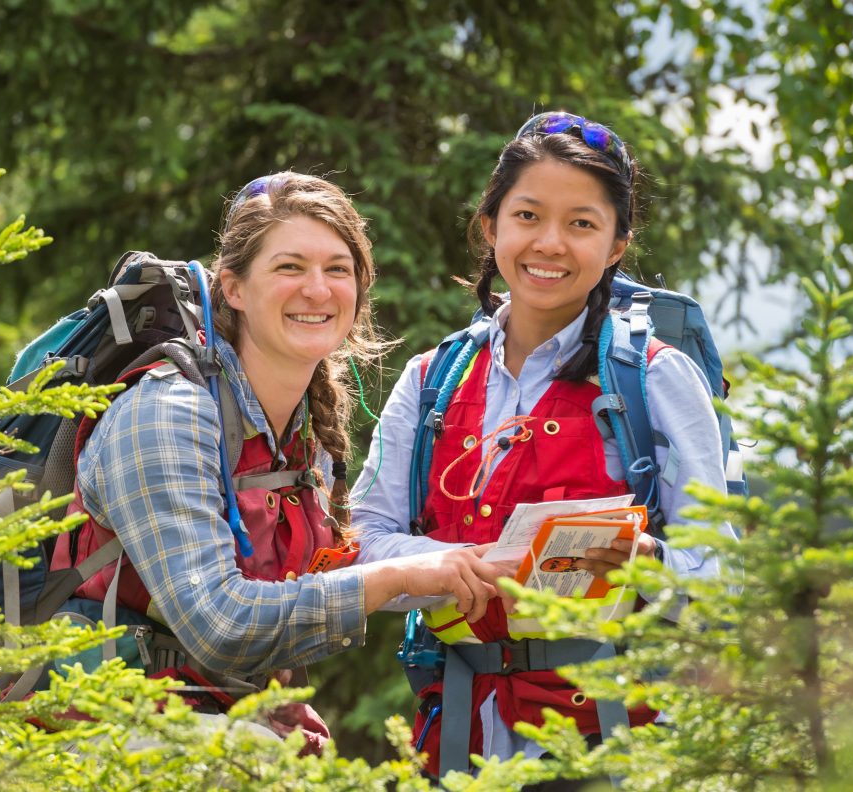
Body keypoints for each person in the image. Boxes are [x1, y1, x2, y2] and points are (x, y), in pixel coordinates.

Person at [52, 171, 515, 751]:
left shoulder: (301, 428)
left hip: (211, 721)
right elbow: (219, 625)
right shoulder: (168, 413)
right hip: (95, 729)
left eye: (337, 269)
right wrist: (396, 576)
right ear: (235, 288)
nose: (318, 290)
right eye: (290, 267)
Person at [350, 112, 740, 776]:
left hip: (615, 742)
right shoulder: (430, 381)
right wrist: (459, 566)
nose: (550, 243)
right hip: (456, 738)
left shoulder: (655, 378)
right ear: (491, 225)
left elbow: (722, 569)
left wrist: (647, 560)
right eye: (528, 215)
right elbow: (363, 536)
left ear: (617, 245)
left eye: (582, 223)